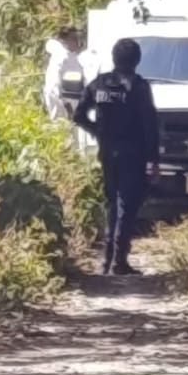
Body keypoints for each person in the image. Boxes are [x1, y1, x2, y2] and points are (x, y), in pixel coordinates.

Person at [74, 39, 160, 275]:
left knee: (112, 202)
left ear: (114, 58)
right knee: (127, 205)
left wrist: (98, 131)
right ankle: (118, 261)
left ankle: (108, 259)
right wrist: (153, 160)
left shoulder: (99, 84)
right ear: (137, 60)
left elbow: (78, 115)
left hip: (107, 152)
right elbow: (150, 125)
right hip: (133, 154)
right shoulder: (139, 87)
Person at [42, 27, 86, 122]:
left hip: (73, 101)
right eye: (73, 39)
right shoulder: (61, 57)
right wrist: (65, 104)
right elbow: (53, 85)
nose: (77, 42)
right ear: (64, 41)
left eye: (77, 39)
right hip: (62, 103)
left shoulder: (73, 57)